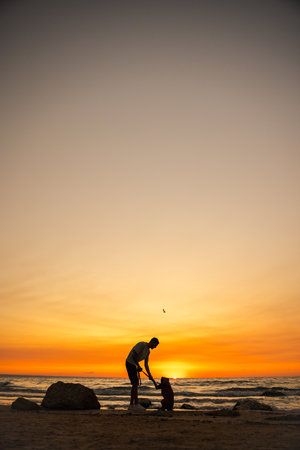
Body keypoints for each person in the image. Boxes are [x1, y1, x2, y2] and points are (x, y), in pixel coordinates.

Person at [126, 337, 159, 410]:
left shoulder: (148, 352)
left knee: (135, 384)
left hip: (134, 365)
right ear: (152, 342)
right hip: (129, 363)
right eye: (155, 345)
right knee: (135, 384)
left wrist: (150, 375)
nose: (155, 347)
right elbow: (133, 356)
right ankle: (133, 404)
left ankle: (133, 405)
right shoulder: (141, 344)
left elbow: (146, 365)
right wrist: (138, 366)